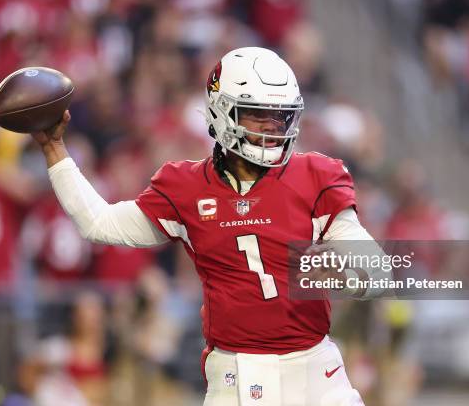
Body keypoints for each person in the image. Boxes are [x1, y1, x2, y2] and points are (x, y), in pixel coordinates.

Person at [31, 47, 374, 405]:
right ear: (223, 112)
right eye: (259, 115)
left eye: (280, 117)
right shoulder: (186, 187)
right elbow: (99, 223)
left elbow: (371, 268)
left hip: (315, 370)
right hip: (235, 374)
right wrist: (55, 149)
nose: (273, 128)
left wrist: (339, 267)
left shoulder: (317, 175)